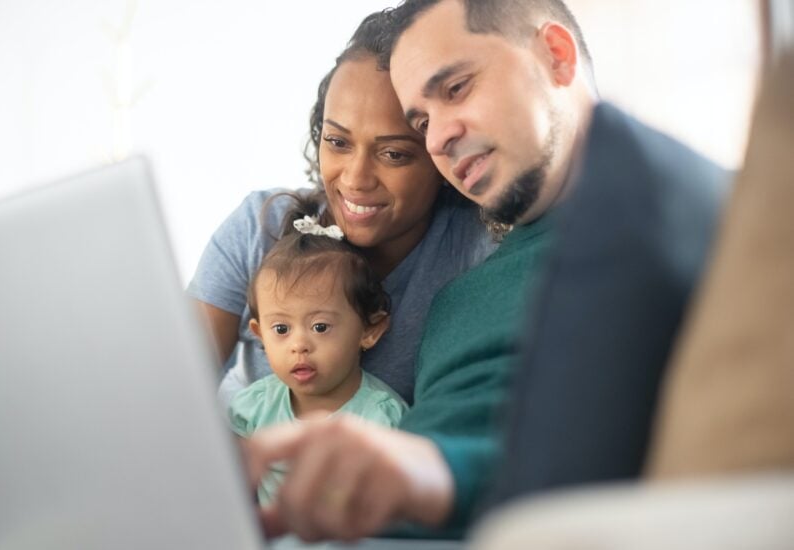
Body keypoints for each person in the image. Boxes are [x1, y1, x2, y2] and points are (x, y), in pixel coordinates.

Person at [245, 0, 725, 542]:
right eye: (422, 121)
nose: (437, 139)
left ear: (556, 55)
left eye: (456, 88)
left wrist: (438, 471)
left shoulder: (665, 205)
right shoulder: (462, 297)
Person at [188, 12, 495, 408]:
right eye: (337, 142)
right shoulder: (257, 228)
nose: (356, 178)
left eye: (394, 153)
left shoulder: (476, 251)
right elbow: (171, 389)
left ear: (442, 154)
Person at [228, 193, 409, 505]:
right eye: (281, 329)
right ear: (260, 334)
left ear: (369, 330)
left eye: (320, 327)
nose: (299, 345)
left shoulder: (382, 417)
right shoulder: (252, 407)